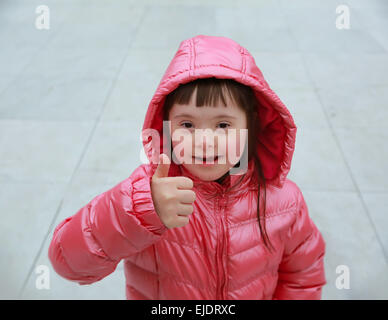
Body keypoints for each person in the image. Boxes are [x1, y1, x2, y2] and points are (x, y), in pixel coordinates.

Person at [48, 35, 326, 300]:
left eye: (223, 125)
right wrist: (141, 210)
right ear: (165, 126)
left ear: (251, 125)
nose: (204, 142)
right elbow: (68, 263)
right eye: (188, 125)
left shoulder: (285, 201)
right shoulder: (150, 193)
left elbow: (303, 276)